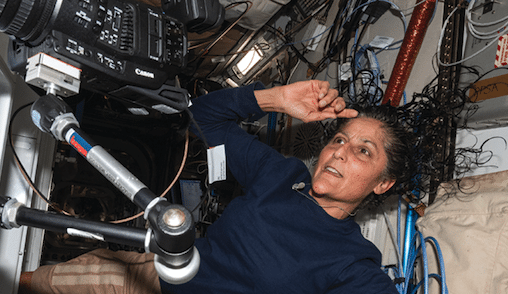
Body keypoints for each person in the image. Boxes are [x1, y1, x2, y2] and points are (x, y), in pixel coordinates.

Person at [23, 80, 409, 293]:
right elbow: (202, 119)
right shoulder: (284, 175)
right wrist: (273, 99)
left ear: (382, 183)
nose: (340, 152)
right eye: (339, 140)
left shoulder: (353, 262)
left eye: (363, 151)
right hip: (151, 279)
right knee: (31, 285)